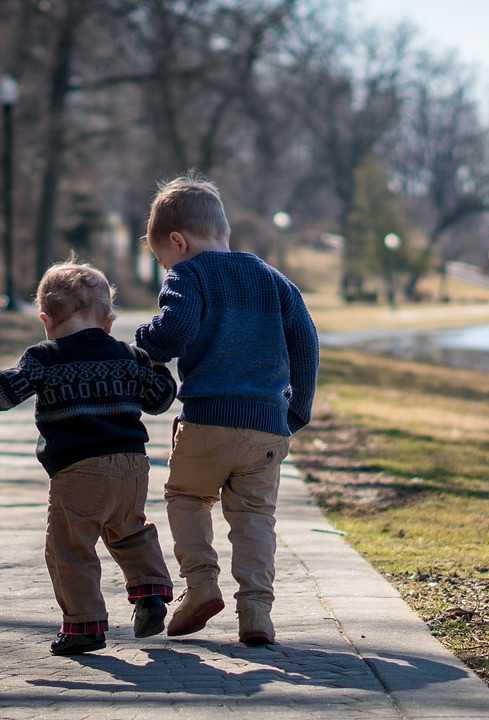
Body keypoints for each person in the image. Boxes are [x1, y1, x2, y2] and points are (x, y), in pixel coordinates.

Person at [135, 173, 319, 645]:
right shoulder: (273, 279)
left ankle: (200, 586)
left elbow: (172, 333)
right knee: (256, 516)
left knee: (187, 498)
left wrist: (145, 341)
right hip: (266, 426)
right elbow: (306, 343)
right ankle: (256, 611)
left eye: (162, 260)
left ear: (179, 242)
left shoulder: (189, 274)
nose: (165, 267)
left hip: (207, 420)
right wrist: (297, 409)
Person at [0, 261, 176, 656]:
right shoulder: (128, 355)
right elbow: (160, 400)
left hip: (78, 470)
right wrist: (158, 365)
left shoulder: (43, 357)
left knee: (69, 548)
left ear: (46, 319)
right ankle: (150, 593)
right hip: (132, 466)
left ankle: (84, 625)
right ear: (109, 321)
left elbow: (7, 393)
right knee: (129, 530)